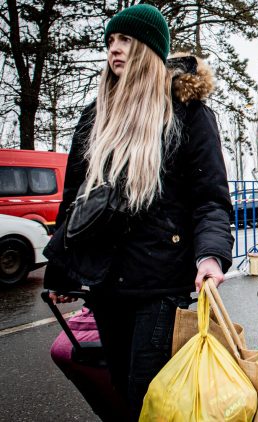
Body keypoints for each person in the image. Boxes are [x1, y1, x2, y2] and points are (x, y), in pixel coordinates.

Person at [42, 4, 233, 420]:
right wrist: (62, 271)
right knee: (122, 393)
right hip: (106, 283)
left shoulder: (188, 114)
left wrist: (210, 256)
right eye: (110, 41)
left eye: (125, 40)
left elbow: (210, 199)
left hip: (161, 281)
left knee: (148, 394)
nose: (114, 50)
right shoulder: (95, 116)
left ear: (149, 48)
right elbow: (76, 198)